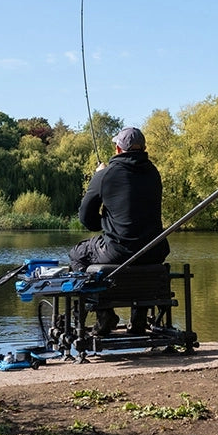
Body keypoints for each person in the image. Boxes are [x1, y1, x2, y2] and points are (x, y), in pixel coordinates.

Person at [68, 126, 169, 336]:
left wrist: (98, 177)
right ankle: (139, 320)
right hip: (154, 251)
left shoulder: (105, 175)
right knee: (141, 256)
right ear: (144, 148)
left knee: (78, 254)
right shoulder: (153, 173)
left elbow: (86, 218)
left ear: (117, 149)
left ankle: (104, 313)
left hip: (118, 251)